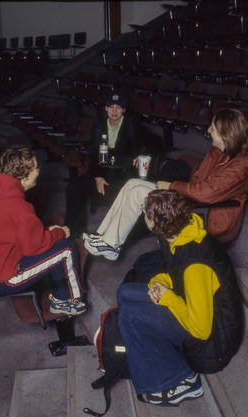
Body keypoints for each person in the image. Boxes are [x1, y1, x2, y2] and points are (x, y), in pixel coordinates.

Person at [117, 189, 243, 407]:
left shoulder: (196, 265)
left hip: (213, 344)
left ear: (156, 223)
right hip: (192, 307)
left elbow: (200, 329)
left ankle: (183, 379)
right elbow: (174, 270)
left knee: (130, 316)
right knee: (125, 292)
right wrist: (160, 282)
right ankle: (154, 353)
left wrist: (168, 298)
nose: (142, 216)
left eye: (145, 213)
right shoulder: (178, 232)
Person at [83, 107, 248, 260]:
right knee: (133, 183)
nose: (208, 131)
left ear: (225, 133)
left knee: (138, 192)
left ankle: (111, 245)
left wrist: (170, 186)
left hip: (208, 217)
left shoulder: (241, 165)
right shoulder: (216, 153)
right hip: (194, 202)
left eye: (212, 128)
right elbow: (196, 182)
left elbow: (205, 193)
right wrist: (173, 190)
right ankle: (102, 235)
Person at [0, 146, 86, 317]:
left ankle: (60, 294)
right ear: (24, 175)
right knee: (66, 249)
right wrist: (60, 233)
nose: (38, 171)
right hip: (4, 279)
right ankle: (66, 301)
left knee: (53, 243)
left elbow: (17, 234)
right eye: (36, 167)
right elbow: (35, 247)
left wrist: (49, 232)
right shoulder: (18, 205)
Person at [65, 92, 139, 234]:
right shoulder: (98, 126)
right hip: (101, 170)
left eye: (118, 108)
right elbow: (93, 155)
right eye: (111, 107)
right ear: (106, 109)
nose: (115, 111)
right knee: (73, 188)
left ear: (124, 110)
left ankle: (115, 235)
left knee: (119, 194)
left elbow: (155, 143)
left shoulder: (132, 125)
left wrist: (141, 155)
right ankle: (72, 232)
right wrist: (97, 177)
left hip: (122, 172)